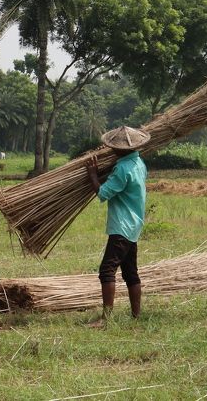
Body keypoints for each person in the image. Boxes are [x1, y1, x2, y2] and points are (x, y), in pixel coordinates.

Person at [84, 125, 150, 328]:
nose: (111, 150)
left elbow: (103, 193)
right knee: (130, 271)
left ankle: (106, 319)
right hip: (134, 224)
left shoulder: (122, 169)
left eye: (114, 147)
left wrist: (93, 174)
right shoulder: (139, 163)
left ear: (120, 149)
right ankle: (136, 316)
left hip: (122, 225)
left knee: (107, 270)